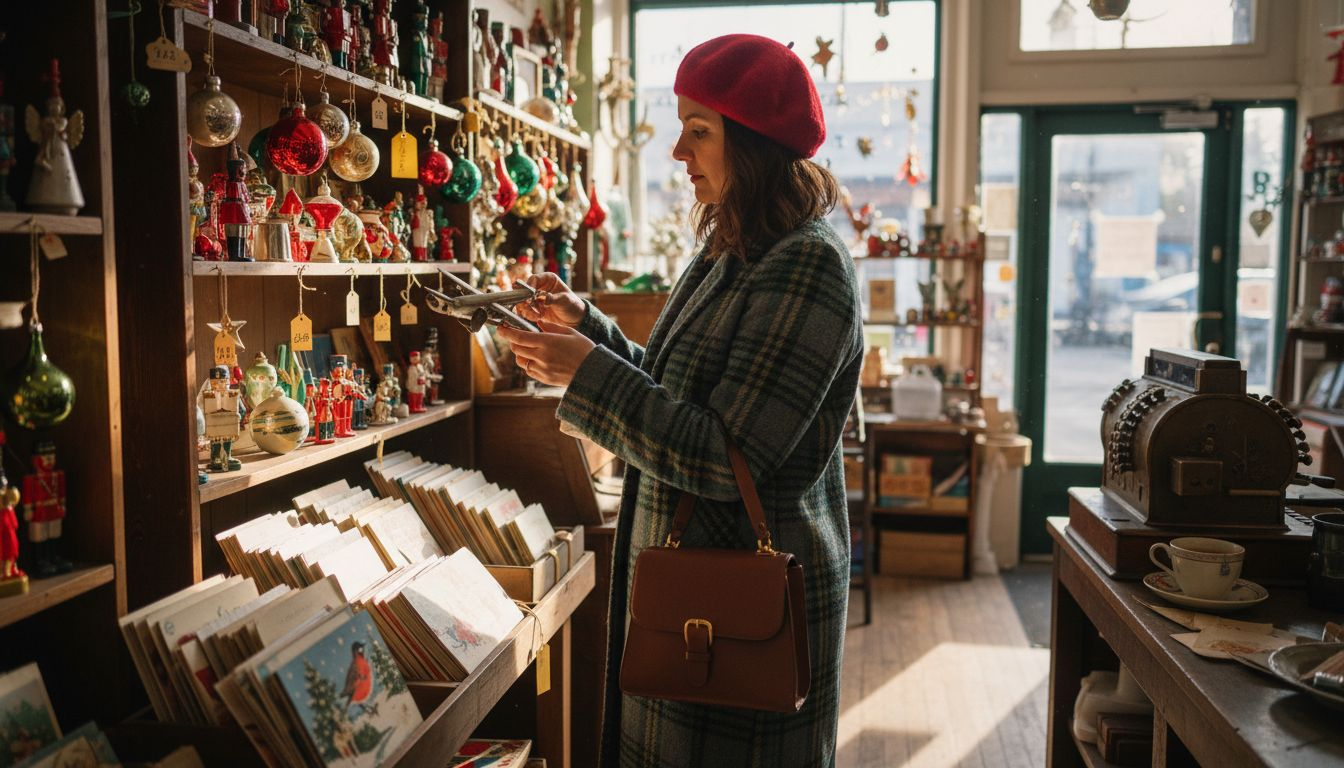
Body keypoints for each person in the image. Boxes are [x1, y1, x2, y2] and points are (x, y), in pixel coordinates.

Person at [496, 33, 862, 768]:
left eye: (699, 131)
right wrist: (588, 330)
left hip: (742, 609)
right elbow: (672, 387)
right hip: (693, 594)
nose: (677, 151)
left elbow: (727, 457)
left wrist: (584, 373)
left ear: (753, 143)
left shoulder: (808, 265)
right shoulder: (732, 248)